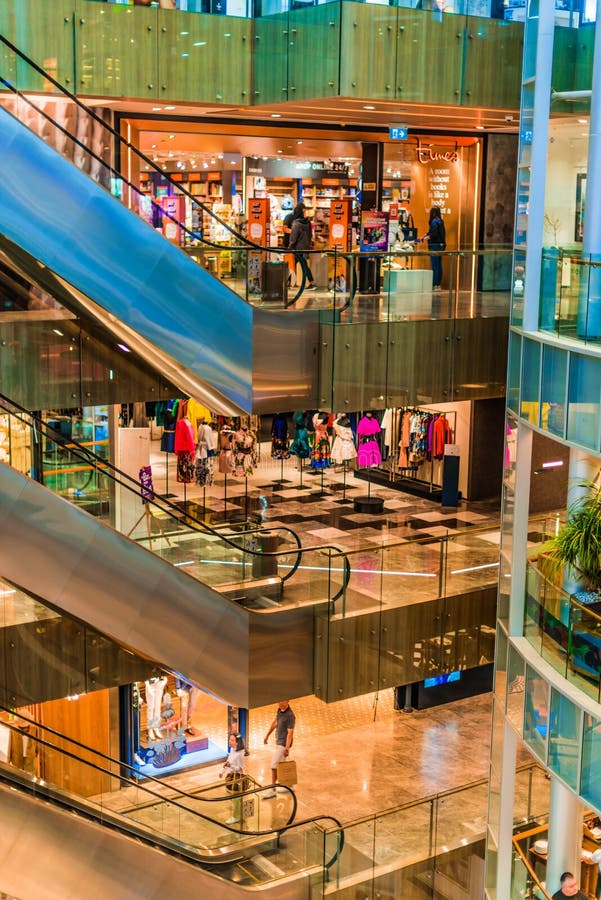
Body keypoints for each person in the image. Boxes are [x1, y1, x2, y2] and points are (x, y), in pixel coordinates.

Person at [263, 700, 296, 798]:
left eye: (282, 701)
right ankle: (290, 786)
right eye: (278, 701)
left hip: (283, 744)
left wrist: (286, 748)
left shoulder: (290, 716)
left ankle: (272, 789)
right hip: (278, 742)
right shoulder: (279, 710)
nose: (279, 703)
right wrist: (267, 735)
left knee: (274, 764)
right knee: (281, 764)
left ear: (288, 701)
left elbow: (290, 733)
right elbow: (275, 723)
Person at [219, 732, 246, 824]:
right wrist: (222, 771)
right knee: (233, 798)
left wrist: (231, 767)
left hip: (238, 778)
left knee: (236, 799)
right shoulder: (232, 749)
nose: (230, 741)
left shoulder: (240, 754)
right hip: (231, 776)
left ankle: (236, 816)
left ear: (237, 742)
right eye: (230, 739)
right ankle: (238, 814)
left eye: (232, 740)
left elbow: (241, 769)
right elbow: (229, 761)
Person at [288, 204, 316, 291]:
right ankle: (289, 282)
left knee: (301, 265)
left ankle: (311, 282)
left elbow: (293, 237)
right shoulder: (308, 223)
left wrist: (290, 246)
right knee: (301, 264)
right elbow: (310, 235)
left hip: (297, 248)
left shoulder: (296, 223)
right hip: (305, 247)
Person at [420, 205, 446, 290]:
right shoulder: (440, 221)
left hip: (434, 245)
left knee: (435, 265)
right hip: (440, 245)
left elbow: (433, 234)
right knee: (439, 265)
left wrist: (426, 237)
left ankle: (434, 284)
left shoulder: (434, 222)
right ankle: (438, 284)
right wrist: (427, 235)